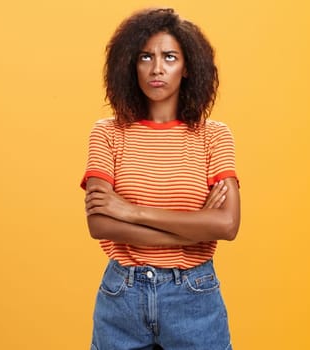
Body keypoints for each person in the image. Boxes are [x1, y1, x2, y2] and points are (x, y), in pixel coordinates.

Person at [81, 7, 241, 350]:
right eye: (145, 57)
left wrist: (129, 211)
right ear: (130, 65)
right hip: (121, 295)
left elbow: (227, 225)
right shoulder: (107, 134)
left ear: (187, 68)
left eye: (170, 57)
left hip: (194, 295)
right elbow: (99, 225)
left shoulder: (213, 136)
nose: (157, 68)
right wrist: (195, 225)